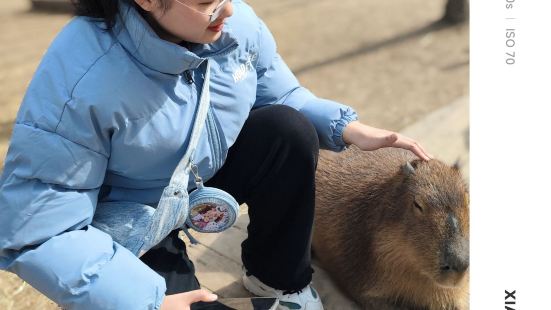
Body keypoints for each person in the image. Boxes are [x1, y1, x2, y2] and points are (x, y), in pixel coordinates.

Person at [0, 0, 433, 309]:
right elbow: (39, 227)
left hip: (195, 184)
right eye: (208, 1)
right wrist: (145, 301)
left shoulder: (234, 23)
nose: (228, 9)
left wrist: (348, 129)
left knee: (287, 129)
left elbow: (279, 94)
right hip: (131, 225)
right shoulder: (82, 78)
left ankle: (278, 279)